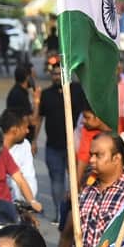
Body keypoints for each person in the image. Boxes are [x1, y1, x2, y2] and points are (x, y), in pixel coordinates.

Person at [39, 55, 85, 222]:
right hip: (53, 146)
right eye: (54, 74)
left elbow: (86, 116)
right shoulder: (46, 95)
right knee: (56, 181)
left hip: (75, 146)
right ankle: (60, 212)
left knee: (75, 180)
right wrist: (34, 140)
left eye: (60, 73)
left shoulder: (78, 91)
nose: (57, 77)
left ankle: (76, 213)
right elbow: (39, 118)